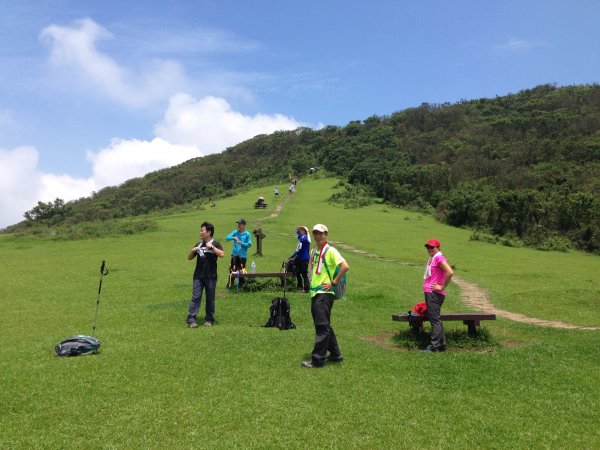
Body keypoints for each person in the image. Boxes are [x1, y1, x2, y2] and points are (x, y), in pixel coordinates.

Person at [301, 224, 350, 368]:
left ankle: (317, 360)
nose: (318, 236)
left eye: (321, 233)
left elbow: (345, 266)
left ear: (326, 235)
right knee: (324, 324)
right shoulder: (314, 250)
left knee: (321, 326)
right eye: (315, 233)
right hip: (316, 292)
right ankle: (336, 355)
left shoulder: (331, 251)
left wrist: (333, 283)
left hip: (325, 293)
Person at [186, 222, 224, 327]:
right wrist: (192, 250)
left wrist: (211, 247)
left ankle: (209, 319)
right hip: (198, 276)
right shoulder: (198, 244)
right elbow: (189, 257)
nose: (200, 232)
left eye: (202, 230)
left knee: (210, 298)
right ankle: (191, 320)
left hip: (211, 276)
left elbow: (221, 254)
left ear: (209, 232)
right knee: (196, 297)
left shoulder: (216, 244)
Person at [421, 238, 454, 352]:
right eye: (428, 247)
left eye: (432, 247)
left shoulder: (438, 257)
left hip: (434, 293)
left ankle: (433, 346)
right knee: (436, 319)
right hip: (432, 293)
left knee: (434, 320)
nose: (429, 249)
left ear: (438, 248)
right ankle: (441, 345)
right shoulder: (434, 258)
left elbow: (450, 272)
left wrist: (442, 286)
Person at [225, 218, 252, 288]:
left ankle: (241, 284)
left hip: (242, 256)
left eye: (240, 224)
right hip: (234, 255)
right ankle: (230, 284)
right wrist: (233, 238)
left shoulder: (247, 234)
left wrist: (241, 243)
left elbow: (249, 244)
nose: (238, 225)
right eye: (238, 224)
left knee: (241, 270)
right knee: (232, 269)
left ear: (243, 225)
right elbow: (227, 237)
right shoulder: (235, 232)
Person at [291, 226, 311, 293]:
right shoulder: (302, 238)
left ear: (305, 231)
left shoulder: (305, 238)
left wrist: (298, 233)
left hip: (304, 259)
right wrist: (293, 255)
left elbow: (301, 240)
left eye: (301, 230)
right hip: (300, 258)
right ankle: (299, 286)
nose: (300, 231)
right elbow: (298, 249)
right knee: (297, 272)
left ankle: (307, 288)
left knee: (304, 273)